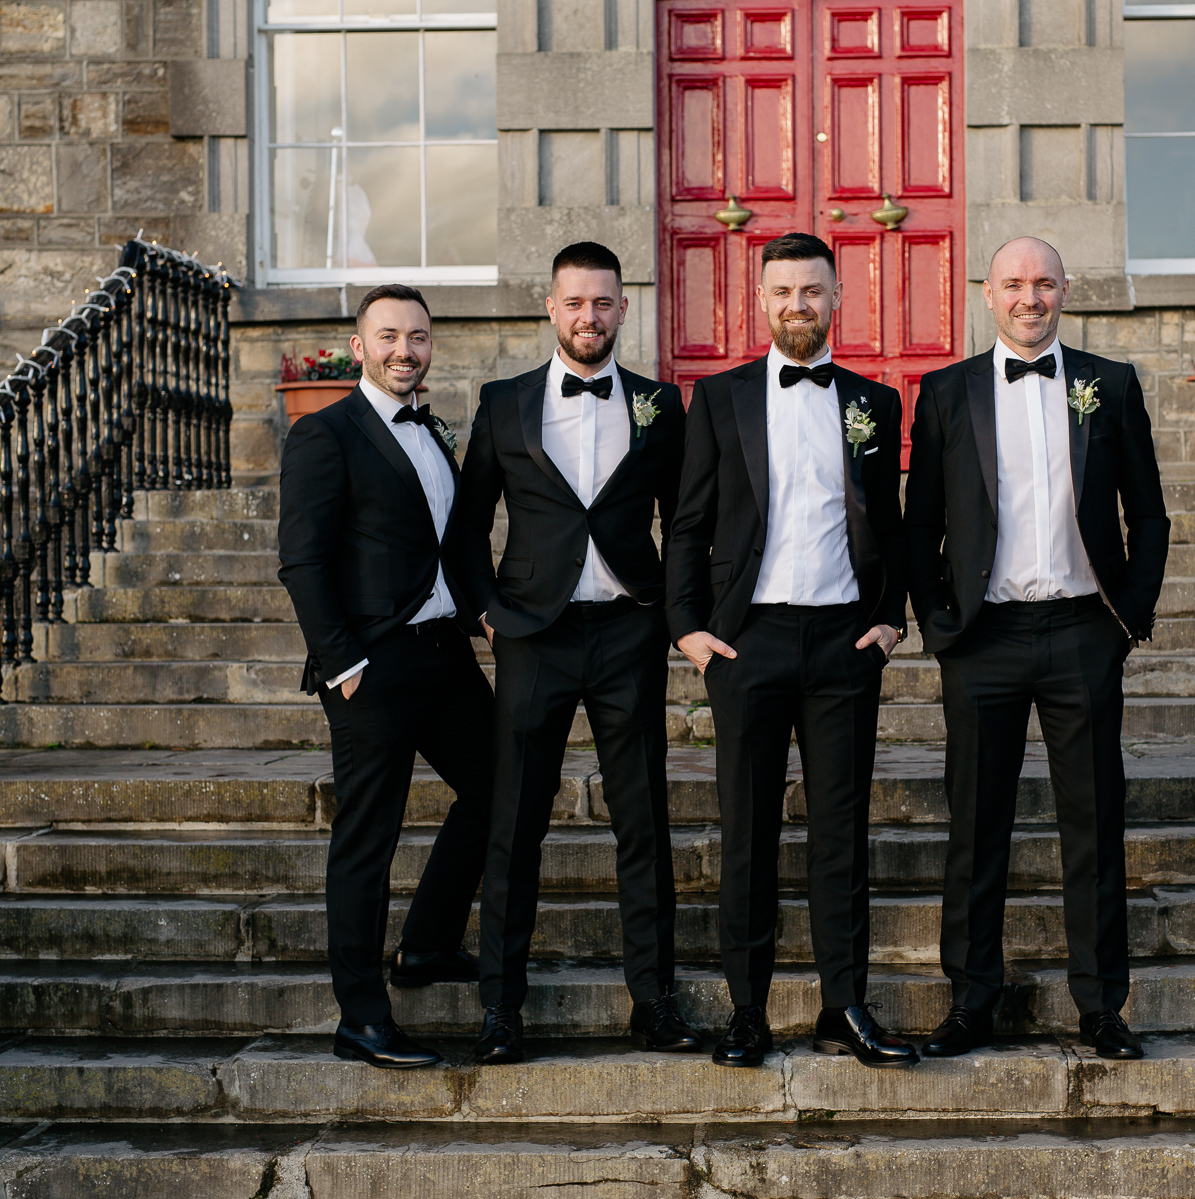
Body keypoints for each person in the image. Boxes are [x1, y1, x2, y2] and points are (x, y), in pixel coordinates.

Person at [904, 236, 1170, 1062]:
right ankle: (972, 999)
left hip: (1082, 632)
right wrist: (942, 624)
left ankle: (1100, 1005)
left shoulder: (1110, 384)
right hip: (982, 639)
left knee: (1094, 822)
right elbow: (920, 526)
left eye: (1045, 284)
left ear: (1065, 290)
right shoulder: (946, 392)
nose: (1031, 298)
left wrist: (1128, 619)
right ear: (988, 293)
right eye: (1015, 284)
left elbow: (1150, 516)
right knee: (975, 827)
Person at [666, 232, 915, 1069]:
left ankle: (844, 1006)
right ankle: (748, 1012)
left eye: (812, 290)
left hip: (845, 640)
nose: (797, 305)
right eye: (782, 291)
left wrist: (893, 619)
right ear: (760, 299)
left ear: (836, 296)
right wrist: (688, 627)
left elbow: (893, 521)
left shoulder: (874, 403)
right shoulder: (721, 398)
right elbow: (689, 521)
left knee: (841, 834)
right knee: (748, 833)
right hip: (749, 643)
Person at [456, 241, 695, 1065]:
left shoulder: (663, 406)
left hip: (628, 630)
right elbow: (464, 533)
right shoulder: (505, 403)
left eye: (603, 303)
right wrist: (490, 612)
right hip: (535, 636)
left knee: (644, 821)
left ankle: (653, 999)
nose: (588, 317)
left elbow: (685, 522)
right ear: (549, 307)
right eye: (573, 303)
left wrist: (673, 611)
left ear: (624, 309)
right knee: (514, 823)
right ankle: (500, 1007)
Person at [277, 283, 495, 1070]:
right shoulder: (325, 433)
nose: (405, 349)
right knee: (368, 837)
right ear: (359, 346)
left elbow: (440, 545)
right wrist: (342, 665)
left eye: (418, 337)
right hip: (372, 665)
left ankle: (429, 945)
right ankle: (361, 1018)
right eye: (390, 336)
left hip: (444, 653)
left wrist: (481, 613)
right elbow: (301, 559)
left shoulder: (432, 431)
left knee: (500, 788)